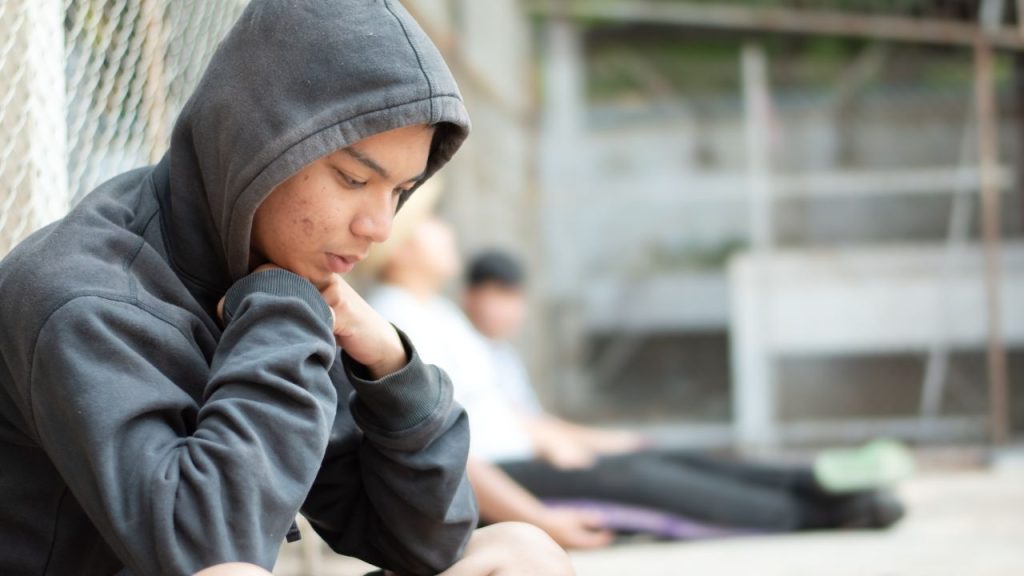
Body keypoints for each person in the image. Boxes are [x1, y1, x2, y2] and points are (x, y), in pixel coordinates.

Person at [0, 2, 573, 575]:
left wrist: (392, 371)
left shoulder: (272, 275)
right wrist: (282, 319)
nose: (379, 226)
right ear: (257, 144)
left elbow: (424, 543)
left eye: (399, 191)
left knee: (522, 553)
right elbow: (208, 552)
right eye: (354, 179)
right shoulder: (82, 298)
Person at [368, 217, 909, 551]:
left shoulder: (439, 315)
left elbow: (502, 412)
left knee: (653, 456)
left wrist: (599, 441)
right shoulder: (394, 319)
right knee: (652, 489)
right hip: (497, 484)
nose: (446, 230)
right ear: (408, 246)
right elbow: (439, 447)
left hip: (520, 460)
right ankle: (826, 513)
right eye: (431, 223)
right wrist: (539, 520)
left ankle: (807, 479)